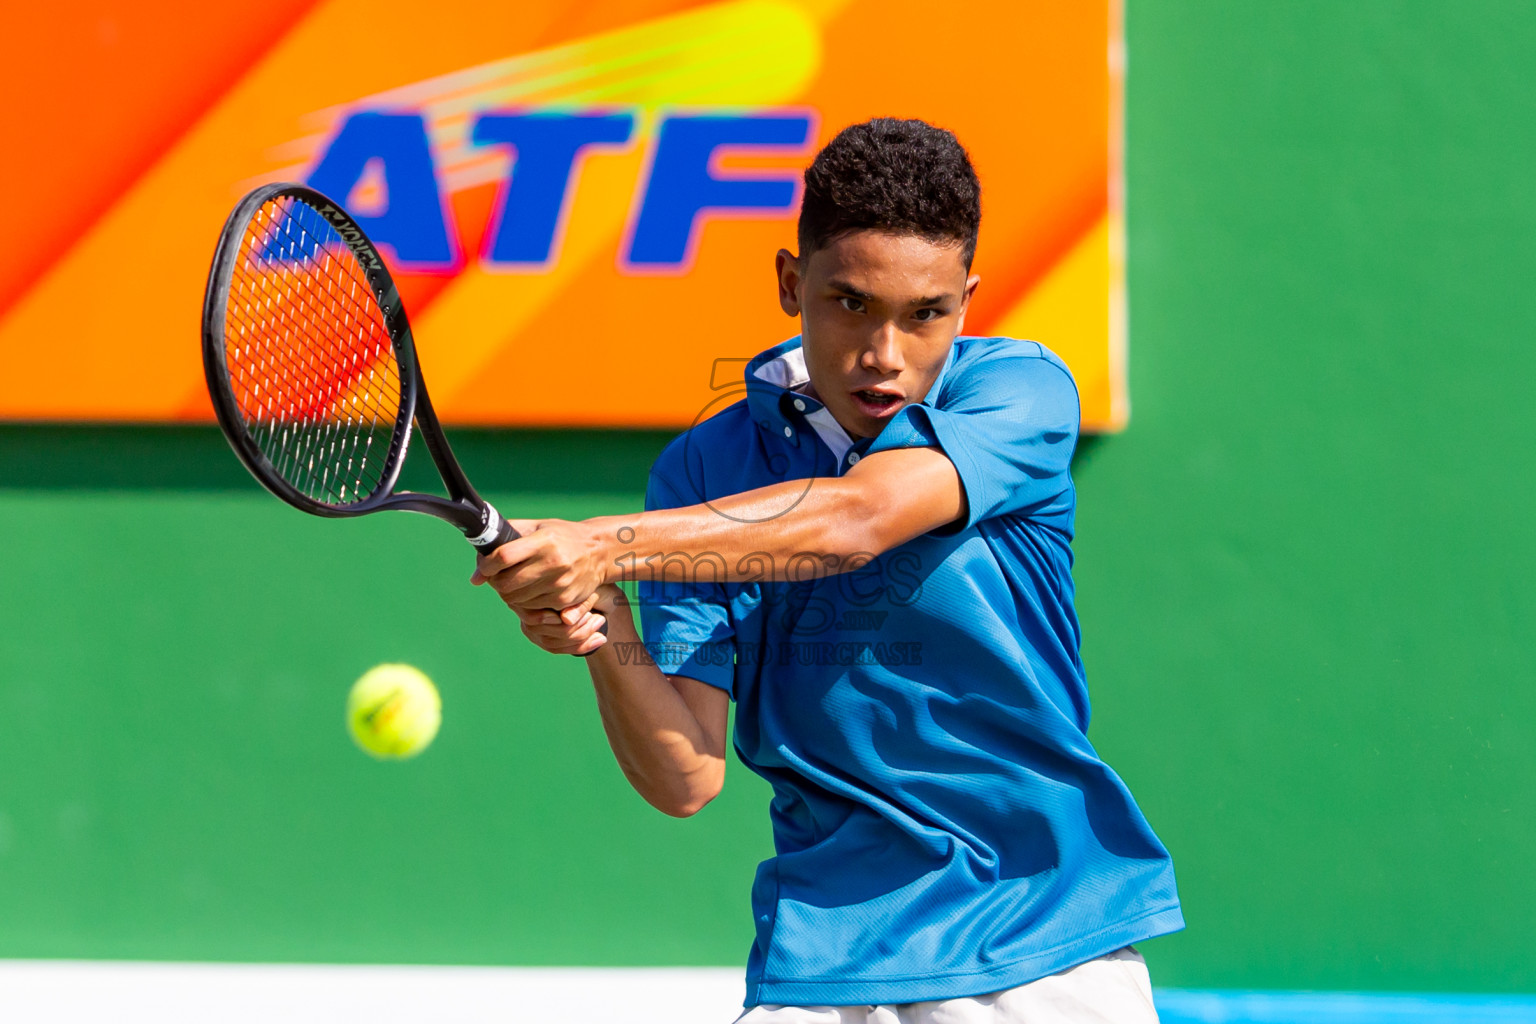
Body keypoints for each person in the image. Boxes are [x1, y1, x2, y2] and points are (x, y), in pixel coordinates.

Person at [471, 117, 1183, 1023]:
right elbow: (685, 776)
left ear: (966, 301)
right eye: (852, 303)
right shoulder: (702, 472)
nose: (885, 354)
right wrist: (603, 621)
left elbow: (859, 519)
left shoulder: (1022, 394)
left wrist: (603, 543)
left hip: (1035, 940)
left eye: (926, 314)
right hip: (823, 959)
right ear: (789, 282)